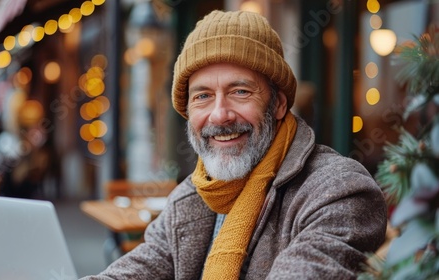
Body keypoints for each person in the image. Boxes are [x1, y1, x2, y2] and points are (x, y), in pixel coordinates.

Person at [81, 10, 387, 280]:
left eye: (240, 91)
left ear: (278, 104)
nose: (220, 114)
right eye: (202, 96)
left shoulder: (338, 191)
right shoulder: (190, 197)